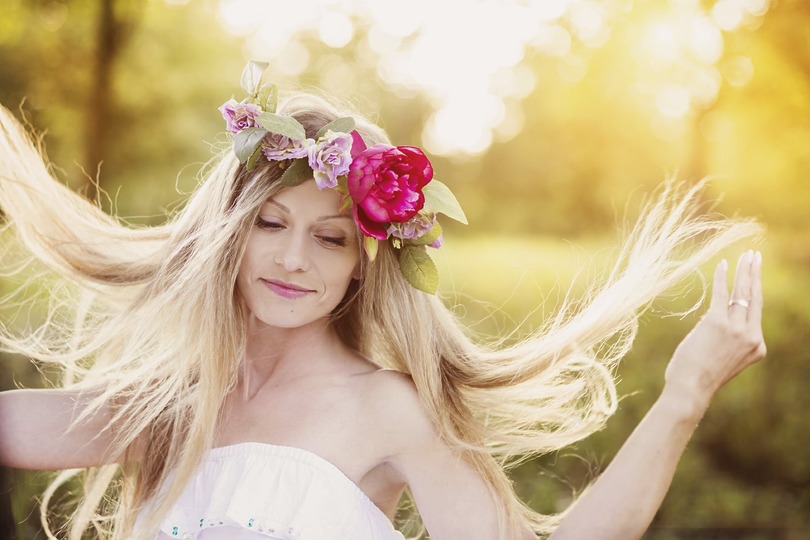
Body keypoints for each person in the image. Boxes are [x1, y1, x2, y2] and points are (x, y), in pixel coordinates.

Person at [0, 61, 766, 540]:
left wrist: (684, 397)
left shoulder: (391, 410)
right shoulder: (176, 405)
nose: (293, 259)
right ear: (229, 234)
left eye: (330, 238)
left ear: (362, 267)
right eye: (271, 223)